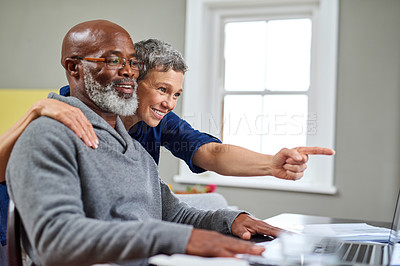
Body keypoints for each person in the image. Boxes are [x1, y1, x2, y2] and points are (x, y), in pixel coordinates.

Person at [6, 19, 285, 266]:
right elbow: (57, 243)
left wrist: (230, 221)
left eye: (132, 63)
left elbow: (174, 214)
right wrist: (169, 238)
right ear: (74, 67)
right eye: (114, 61)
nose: (128, 71)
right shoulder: (49, 134)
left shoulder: (136, 148)